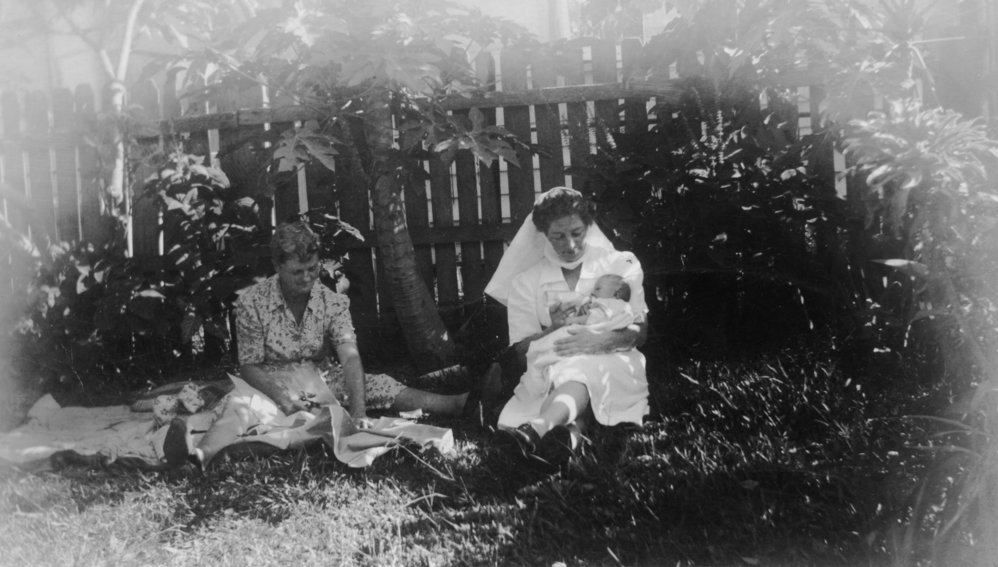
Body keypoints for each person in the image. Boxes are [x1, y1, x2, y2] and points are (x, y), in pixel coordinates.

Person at [166, 221, 499, 466]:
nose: (307, 278)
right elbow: (249, 366)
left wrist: (358, 411)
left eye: (312, 269)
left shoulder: (331, 302)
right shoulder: (252, 302)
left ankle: (460, 403)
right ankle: (198, 457)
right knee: (238, 407)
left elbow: (349, 356)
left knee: (379, 384)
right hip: (269, 382)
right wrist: (282, 398)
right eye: (297, 271)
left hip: (321, 378)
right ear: (277, 266)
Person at [484, 187, 649, 462]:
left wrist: (596, 342)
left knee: (580, 371)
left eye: (576, 233)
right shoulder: (526, 281)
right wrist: (553, 329)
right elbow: (520, 352)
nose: (570, 245)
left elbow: (640, 332)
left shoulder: (618, 264)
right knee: (571, 373)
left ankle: (535, 430)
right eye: (558, 236)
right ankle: (568, 439)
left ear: (588, 227)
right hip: (554, 362)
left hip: (613, 359)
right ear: (544, 235)